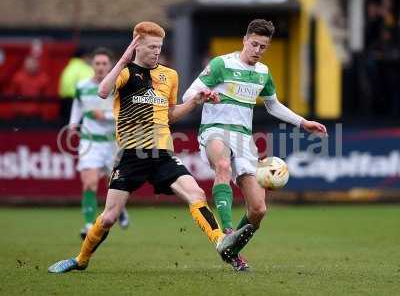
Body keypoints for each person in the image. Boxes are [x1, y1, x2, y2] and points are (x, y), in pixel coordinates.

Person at [48, 21, 254, 274]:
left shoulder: (170, 75)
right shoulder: (124, 73)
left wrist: (195, 102)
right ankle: (80, 259)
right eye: (152, 47)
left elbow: (169, 115)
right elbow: (103, 91)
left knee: (196, 195)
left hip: (162, 154)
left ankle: (222, 243)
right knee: (110, 216)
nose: (157, 51)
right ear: (137, 46)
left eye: (160, 47)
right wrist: (123, 59)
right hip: (131, 156)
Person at [182, 19, 328, 271]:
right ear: (244, 40)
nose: (258, 50)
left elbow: (272, 105)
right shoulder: (221, 64)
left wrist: (303, 122)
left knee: (259, 210)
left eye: (263, 47)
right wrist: (202, 96)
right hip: (215, 130)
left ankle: (231, 251)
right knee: (223, 166)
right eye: (254, 44)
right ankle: (226, 230)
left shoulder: (263, 72)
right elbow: (187, 95)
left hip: (244, 138)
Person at [69, 47, 129, 240]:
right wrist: (72, 125)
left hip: (112, 144)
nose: (101, 67)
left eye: (104, 63)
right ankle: (88, 224)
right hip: (90, 142)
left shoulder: (117, 86)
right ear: (92, 65)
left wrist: (102, 115)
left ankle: (119, 210)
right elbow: (78, 105)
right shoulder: (82, 86)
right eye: (97, 63)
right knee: (89, 184)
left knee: (114, 184)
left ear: (110, 66)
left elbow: (122, 114)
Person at [59, 47, 94, 122]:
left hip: (65, 102)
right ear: (84, 57)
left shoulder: (68, 68)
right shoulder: (85, 69)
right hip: (79, 101)